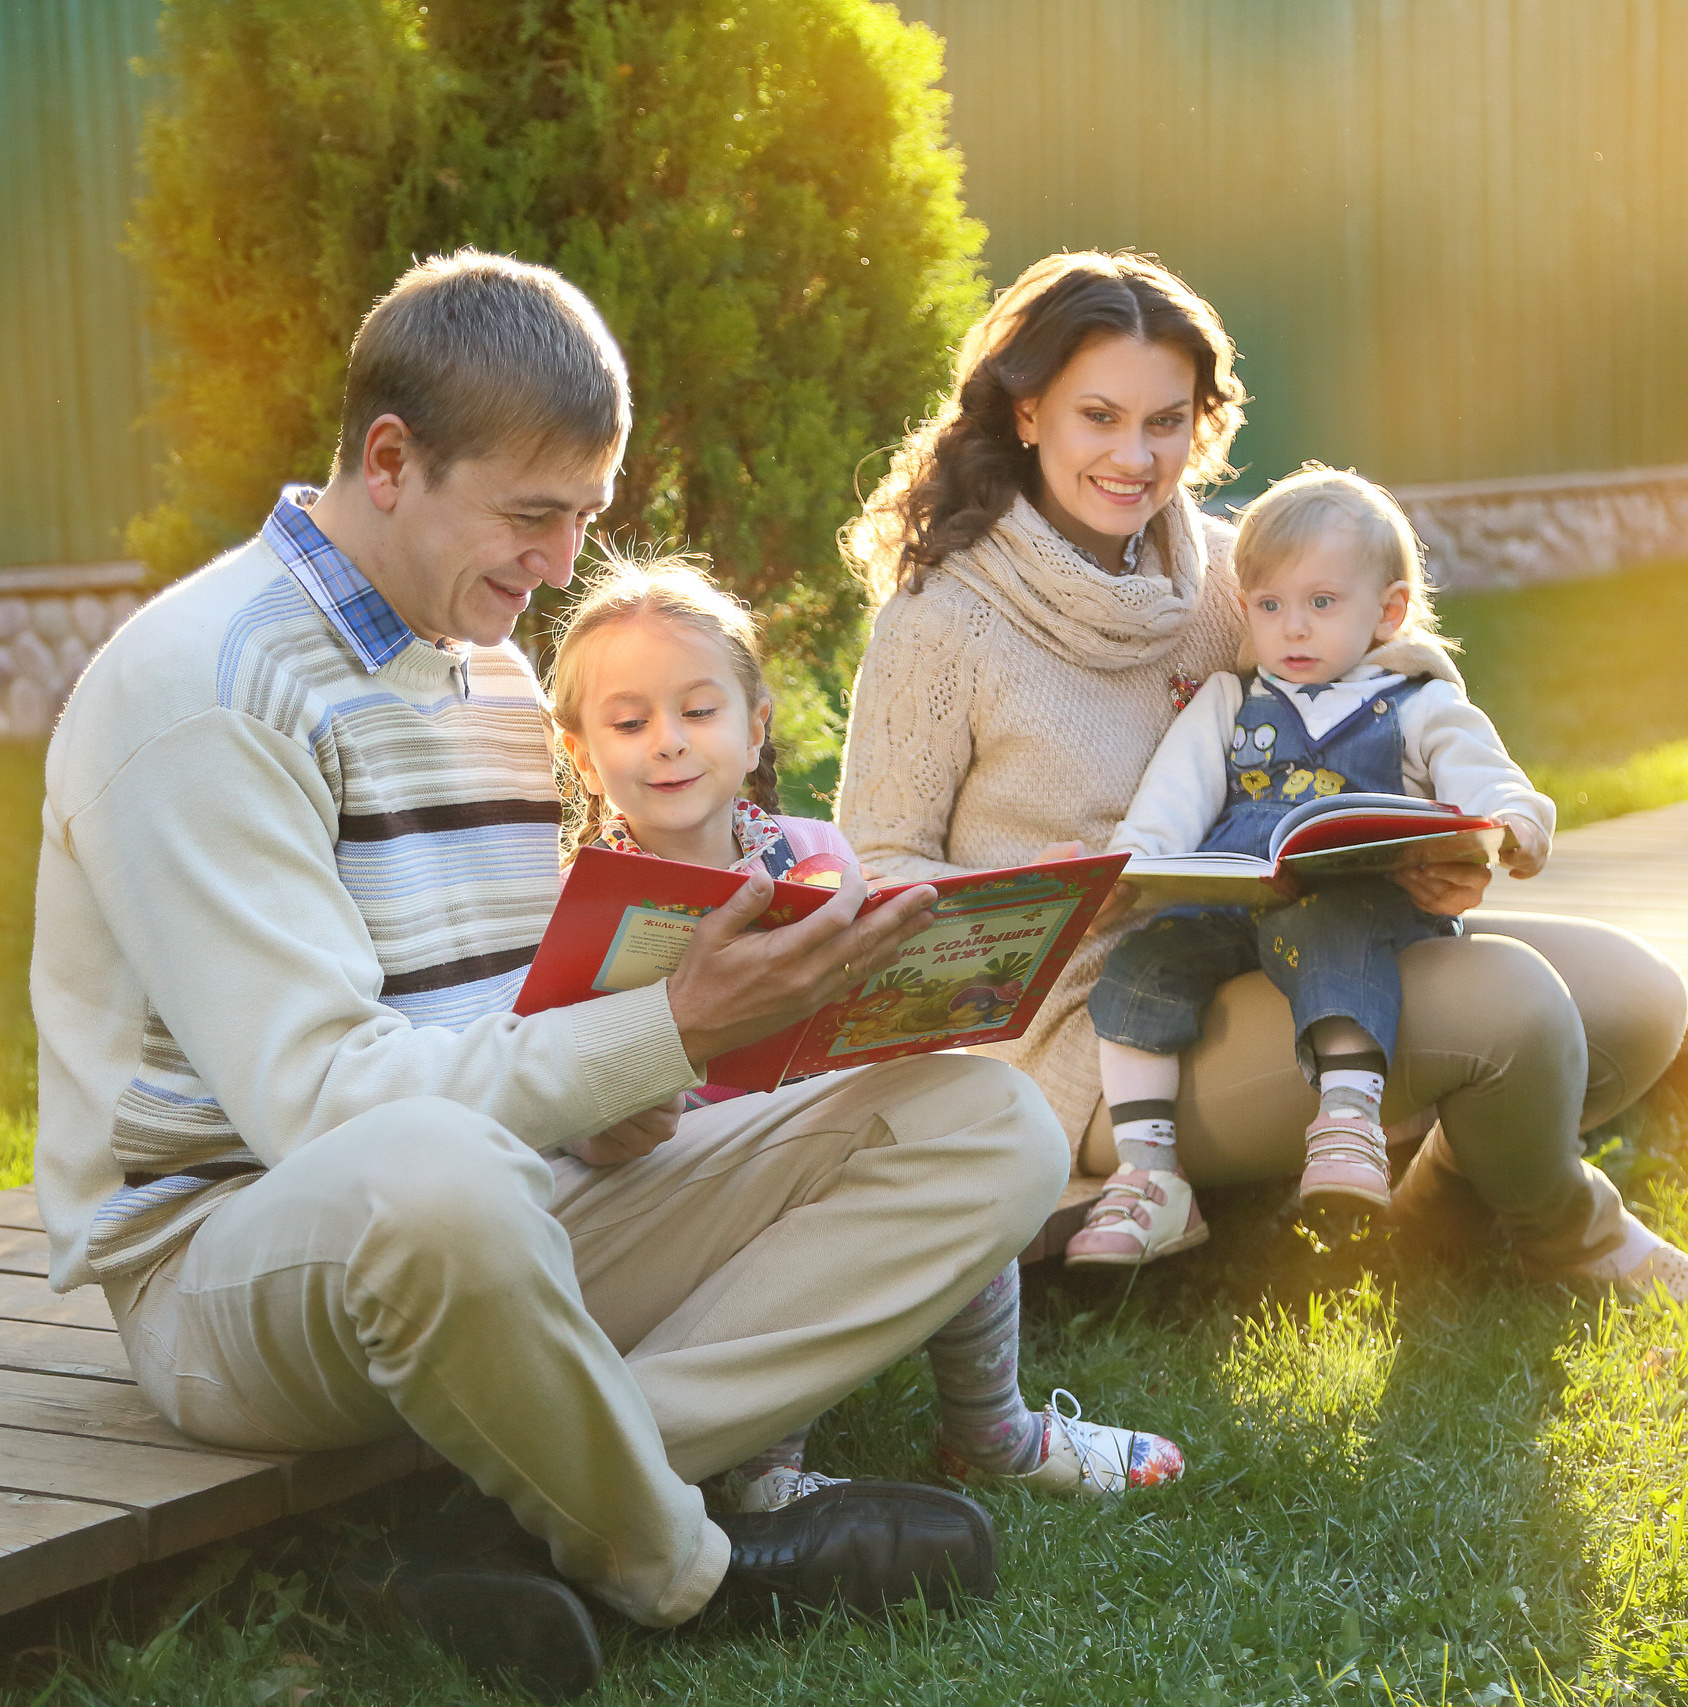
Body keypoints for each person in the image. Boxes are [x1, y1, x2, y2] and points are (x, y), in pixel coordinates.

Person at [30, 251, 1077, 1703]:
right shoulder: (204, 690)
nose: (560, 560)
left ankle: (508, 1505)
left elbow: (523, 1013)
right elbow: (320, 1109)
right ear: (389, 460)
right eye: (533, 513)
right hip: (232, 1265)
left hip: (506, 1202)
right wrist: (665, 1028)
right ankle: (683, 1562)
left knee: (985, 1123)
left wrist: (639, 1079)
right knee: (431, 1173)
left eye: (583, 513)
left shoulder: (489, 668)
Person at [837, 248, 1688, 1303]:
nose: (1135, 456)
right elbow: (879, 871)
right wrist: (1040, 900)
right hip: (1096, 1028)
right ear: (1027, 414)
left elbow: (1373, 708)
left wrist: (1441, 851)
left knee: (1635, 997)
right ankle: (1576, 1238)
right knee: (1513, 1007)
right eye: (1098, 417)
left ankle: (1434, 1209)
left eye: (1166, 422)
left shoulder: (1232, 573)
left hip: (1288, 938)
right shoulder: (942, 621)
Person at [547, 552, 1185, 1494]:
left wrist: (996, 930)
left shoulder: (814, 854)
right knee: (795, 1207)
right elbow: (570, 1106)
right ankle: (761, 1463)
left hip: (820, 1135)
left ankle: (990, 1430)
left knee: (959, 1137)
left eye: (698, 710)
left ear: (756, 725)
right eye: (630, 722)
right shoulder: (583, 906)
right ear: (581, 753)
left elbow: (881, 989)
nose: (669, 742)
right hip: (668, 1189)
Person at [1067, 466, 1553, 1266]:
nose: (1292, 629)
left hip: (1363, 905)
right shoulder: (1228, 699)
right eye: (1270, 606)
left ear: (1386, 610)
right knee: (1142, 965)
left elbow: (1488, 779)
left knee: (1331, 933)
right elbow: (1169, 802)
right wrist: (1134, 868)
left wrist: (1513, 826)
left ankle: (1348, 1123)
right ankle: (1150, 1175)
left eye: (1321, 604)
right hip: (1238, 897)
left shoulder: (1417, 701)